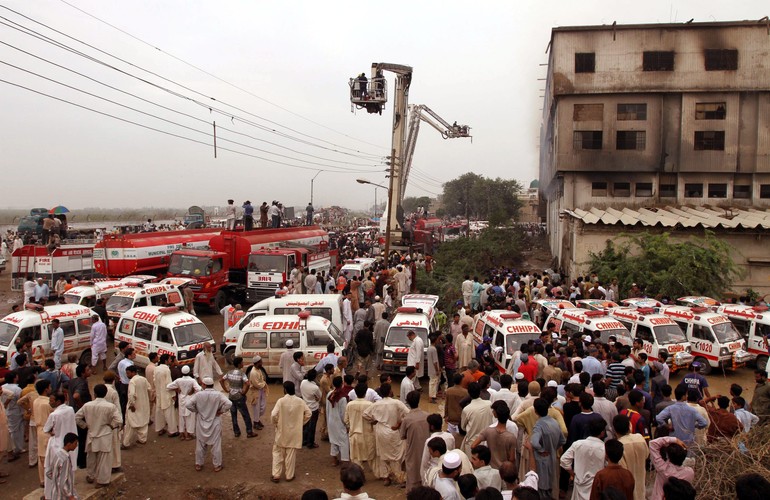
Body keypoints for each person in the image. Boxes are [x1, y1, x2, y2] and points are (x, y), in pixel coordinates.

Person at [75, 384, 122, 487]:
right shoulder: (111, 407)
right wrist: (111, 426)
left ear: (94, 394)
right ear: (105, 394)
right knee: (104, 459)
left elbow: (77, 417)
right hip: (105, 434)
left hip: (92, 434)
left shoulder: (87, 405)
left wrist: (85, 426)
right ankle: (102, 480)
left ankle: (90, 476)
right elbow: (119, 420)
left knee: (91, 457)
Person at [363, 383, 408, 486]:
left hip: (381, 431)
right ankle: (399, 477)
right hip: (393, 430)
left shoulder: (376, 404)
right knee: (397, 455)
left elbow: (365, 414)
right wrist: (399, 424)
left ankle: (386, 477)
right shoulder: (397, 403)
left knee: (382, 455)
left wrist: (375, 420)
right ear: (390, 391)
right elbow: (408, 414)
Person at [186, 376, 232, 472]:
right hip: (215, 422)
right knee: (216, 445)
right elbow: (229, 404)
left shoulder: (198, 395)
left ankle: (198, 464)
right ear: (212, 385)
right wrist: (221, 411)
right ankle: (217, 465)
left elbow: (188, 405)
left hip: (201, 422)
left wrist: (197, 411)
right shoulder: (218, 395)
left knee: (200, 444)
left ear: (203, 385)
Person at [271, 381, 311, 482]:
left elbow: (273, 415)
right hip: (294, 432)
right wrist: (300, 423)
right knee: (291, 455)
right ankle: (289, 476)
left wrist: (276, 423)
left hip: (281, 431)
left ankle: (276, 475)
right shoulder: (300, 401)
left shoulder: (281, 401)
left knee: (277, 453)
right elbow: (309, 413)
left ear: (285, 390)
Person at [560, 418, 607, 500]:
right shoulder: (604, 448)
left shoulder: (577, 444)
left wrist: (573, 474)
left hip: (579, 483)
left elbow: (564, 460)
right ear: (602, 433)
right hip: (596, 486)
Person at [529, 397, 566, 500]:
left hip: (542, 461)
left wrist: (541, 450)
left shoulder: (539, 425)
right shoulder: (554, 422)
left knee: (542, 488)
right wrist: (553, 448)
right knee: (549, 486)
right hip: (552, 458)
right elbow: (562, 440)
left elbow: (534, 442)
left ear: (535, 411)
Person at [612, 415, 648, 500]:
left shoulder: (619, 445)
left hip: (627, 485)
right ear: (629, 426)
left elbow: (622, 468)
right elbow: (646, 454)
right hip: (641, 480)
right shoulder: (640, 438)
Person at [401, 390, 430, 492]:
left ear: (408, 403)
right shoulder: (427, 415)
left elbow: (402, 436)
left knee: (412, 473)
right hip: (427, 449)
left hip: (412, 450)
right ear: (419, 401)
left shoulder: (407, 419)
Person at [222, 356, 256, 439]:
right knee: (246, 415)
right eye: (242, 362)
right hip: (239, 396)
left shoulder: (229, 372)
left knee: (234, 415)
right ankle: (249, 432)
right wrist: (244, 392)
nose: (243, 364)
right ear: (239, 364)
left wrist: (226, 389)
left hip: (231, 396)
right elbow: (248, 384)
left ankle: (236, 432)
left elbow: (221, 380)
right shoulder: (242, 373)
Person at [345, 383, 376, 469]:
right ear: (365, 393)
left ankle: (358, 476)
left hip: (354, 435)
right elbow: (374, 420)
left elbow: (346, 421)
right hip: (368, 435)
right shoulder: (370, 405)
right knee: (372, 457)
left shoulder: (349, 405)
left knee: (356, 459)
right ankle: (382, 475)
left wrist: (351, 428)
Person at [166, 365, 201, 441]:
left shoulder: (178, 380)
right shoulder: (192, 380)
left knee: (181, 417)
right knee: (190, 417)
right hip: (190, 399)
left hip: (181, 400)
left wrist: (176, 389)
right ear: (189, 372)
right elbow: (199, 389)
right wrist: (193, 391)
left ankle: (182, 434)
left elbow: (168, 386)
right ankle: (188, 434)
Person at [461, 382, 494, 456]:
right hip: (487, 442)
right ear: (480, 392)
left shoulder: (467, 409)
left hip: (472, 443)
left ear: (469, 393)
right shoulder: (489, 404)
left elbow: (463, 427)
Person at [122, 365, 151, 448]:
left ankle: (126, 443)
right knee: (143, 422)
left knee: (130, 424)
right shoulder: (143, 379)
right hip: (144, 404)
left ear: (133, 372)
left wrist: (132, 404)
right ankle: (142, 439)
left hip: (134, 406)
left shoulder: (132, 382)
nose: (127, 375)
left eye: (128, 373)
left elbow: (131, 394)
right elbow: (149, 388)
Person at [327, 376, 351, 466]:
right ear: (342, 384)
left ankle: (334, 460)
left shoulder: (330, 394)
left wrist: (328, 419)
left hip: (331, 421)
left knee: (334, 441)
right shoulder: (343, 398)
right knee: (344, 442)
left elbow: (327, 408)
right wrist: (347, 425)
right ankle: (345, 461)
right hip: (339, 423)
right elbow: (343, 414)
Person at [48, 432, 79, 500]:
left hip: (55, 493)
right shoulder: (65, 459)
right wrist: (70, 496)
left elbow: (49, 473)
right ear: (69, 444)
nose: (76, 446)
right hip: (62, 496)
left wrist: (56, 481)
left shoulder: (57, 455)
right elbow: (63, 482)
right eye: (75, 443)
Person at [154, 354, 179, 438]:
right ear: (166, 361)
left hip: (159, 393)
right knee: (169, 413)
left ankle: (160, 428)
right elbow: (169, 384)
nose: (170, 361)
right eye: (169, 359)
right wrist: (173, 395)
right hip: (166, 393)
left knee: (159, 412)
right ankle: (172, 431)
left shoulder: (156, 369)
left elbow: (155, 381)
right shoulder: (166, 370)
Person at [245, 355, 268, 430]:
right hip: (256, 392)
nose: (262, 363)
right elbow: (257, 384)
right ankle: (256, 422)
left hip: (261, 390)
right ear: (258, 363)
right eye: (261, 361)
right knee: (256, 408)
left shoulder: (258, 369)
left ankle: (257, 420)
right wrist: (264, 384)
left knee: (262, 407)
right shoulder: (253, 372)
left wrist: (263, 384)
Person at [300, 369, 322, 448]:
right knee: (312, 426)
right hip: (313, 408)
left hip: (305, 407)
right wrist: (316, 399)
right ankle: (310, 443)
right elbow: (320, 396)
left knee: (305, 424)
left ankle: (304, 440)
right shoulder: (315, 387)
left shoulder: (303, 383)